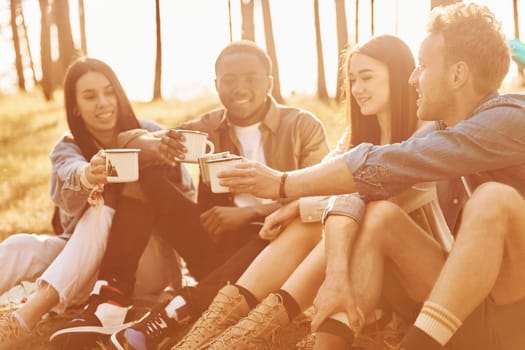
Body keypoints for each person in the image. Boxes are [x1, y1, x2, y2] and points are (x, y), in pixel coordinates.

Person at [219, 3, 525, 349]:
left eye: (422, 67)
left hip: (518, 315)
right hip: (472, 311)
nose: (412, 78)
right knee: (380, 216)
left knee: (493, 200)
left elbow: (392, 161)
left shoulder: (512, 120)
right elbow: (370, 178)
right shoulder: (444, 130)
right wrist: (326, 253)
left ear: (457, 75)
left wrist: (282, 182)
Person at [50, 40, 330, 349]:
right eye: (229, 79)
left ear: (270, 83)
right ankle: (112, 300)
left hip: (275, 249)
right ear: (217, 84)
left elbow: (319, 197)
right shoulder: (207, 127)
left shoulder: (302, 126)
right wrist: (156, 146)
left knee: (282, 233)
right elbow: (128, 139)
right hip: (213, 241)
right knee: (144, 175)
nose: (240, 88)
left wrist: (249, 214)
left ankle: (174, 312)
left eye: (251, 78)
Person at [171, 34, 442, 350]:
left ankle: (242, 338)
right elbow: (323, 182)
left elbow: (371, 196)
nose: (357, 89)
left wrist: (297, 207)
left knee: (332, 217)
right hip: (370, 272)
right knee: (316, 219)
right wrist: (294, 208)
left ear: (398, 75)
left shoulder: (426, 131)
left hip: (417, 272)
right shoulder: (356, 135)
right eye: (352, 80)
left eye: (367, 78)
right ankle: (212, 337)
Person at [0, 57, 192, 349]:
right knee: (20, 246)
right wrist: (89, 174)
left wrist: (161, 158)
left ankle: (24, 319)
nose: (103, 102)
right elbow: (67, 177)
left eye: (108, 92)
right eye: (90, 96)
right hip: (83, 267)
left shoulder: (152, 134)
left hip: (143, 265)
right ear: (75, 106)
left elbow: (185, 199)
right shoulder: (68, 147)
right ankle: (62, 299)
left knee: (102, 211)